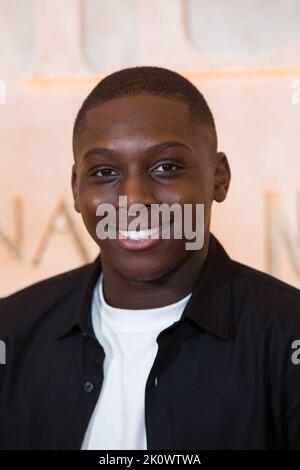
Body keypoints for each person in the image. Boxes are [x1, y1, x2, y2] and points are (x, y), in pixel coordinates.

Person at [0, 66, 300, 450]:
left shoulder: (287, 335)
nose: (135, 198)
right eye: (105, 171)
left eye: (166, 167)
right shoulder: (11, 332)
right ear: (77, 190)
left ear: (218, 177)